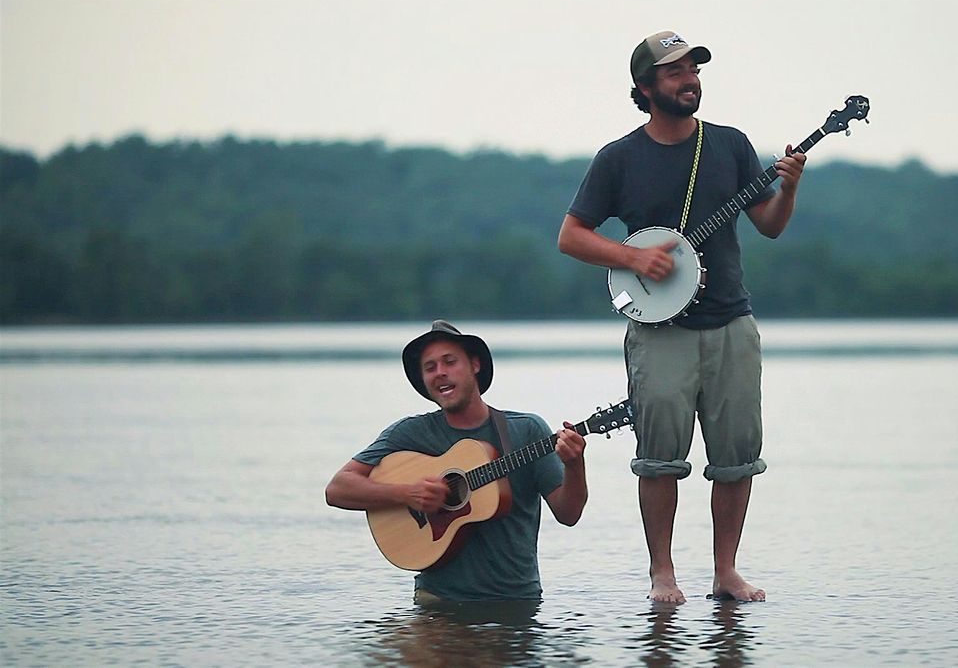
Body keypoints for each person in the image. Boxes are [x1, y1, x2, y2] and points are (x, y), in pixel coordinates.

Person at [557, 31, 807, 603]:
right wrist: (630, 256)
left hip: (731, 321)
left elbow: (768, 224)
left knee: (737, 455)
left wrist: (789, 189)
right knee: (660, 457)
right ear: (645, 88)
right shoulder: (618, 158)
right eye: (674, 72)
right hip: (658, 330)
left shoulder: (731, 145)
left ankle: (726, 572)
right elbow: (571, 236)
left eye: (693, 68)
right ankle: (662, 573)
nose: (689, 78)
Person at [325, 320, 588, 602]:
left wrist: (575, 465)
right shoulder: (410, 434)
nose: (440, 373)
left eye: (449, 362)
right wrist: (407, 493)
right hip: (437, 600)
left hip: (516, 600)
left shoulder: (526, 430)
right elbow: (338, 489)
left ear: (475, 365)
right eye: (430, 367)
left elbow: (568, 514)